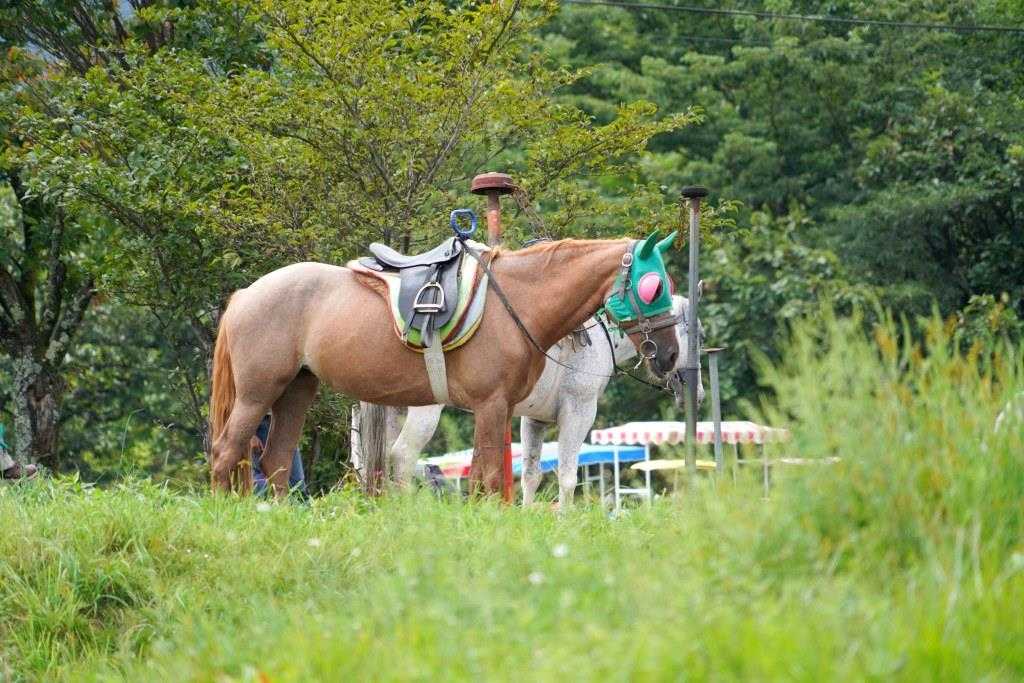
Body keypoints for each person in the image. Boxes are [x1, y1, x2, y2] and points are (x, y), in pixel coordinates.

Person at [251, 414, 307, 497]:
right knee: (261, 482)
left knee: (297, 483)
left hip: (285, 423)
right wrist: (251, 435)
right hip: (259, 424)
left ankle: (297, 504)